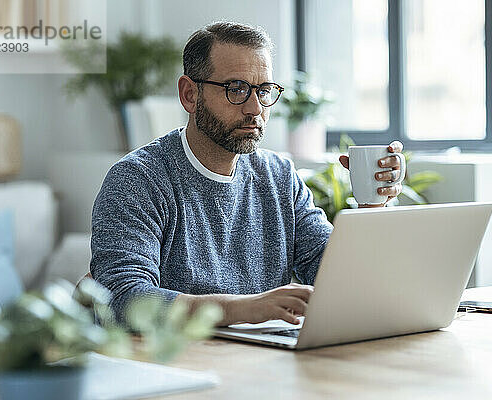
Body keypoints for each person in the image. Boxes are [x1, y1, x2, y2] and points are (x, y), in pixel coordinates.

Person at [90, 22, 403, 327]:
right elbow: (122, 300)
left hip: (265, 363)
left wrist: (372, 206)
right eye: (236, 89)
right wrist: (245, 308)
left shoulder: (280, 177)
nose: (255, 108)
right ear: (189, 94)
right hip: (179, 367)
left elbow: (336, 278)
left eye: (264, 90)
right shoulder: (137, 180)